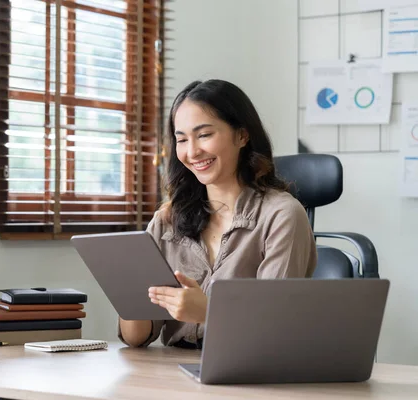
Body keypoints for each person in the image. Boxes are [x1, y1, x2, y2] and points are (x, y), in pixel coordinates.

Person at [118, 79, 317, 348]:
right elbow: (136, 338)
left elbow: (274, 327)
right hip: (175, 370)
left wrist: (208, 311)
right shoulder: (166, 220)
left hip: (248, 368)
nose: (192, 152)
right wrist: (128, 287)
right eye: (182, 139)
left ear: (242, 136)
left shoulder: (282, 215)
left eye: (204, 135)